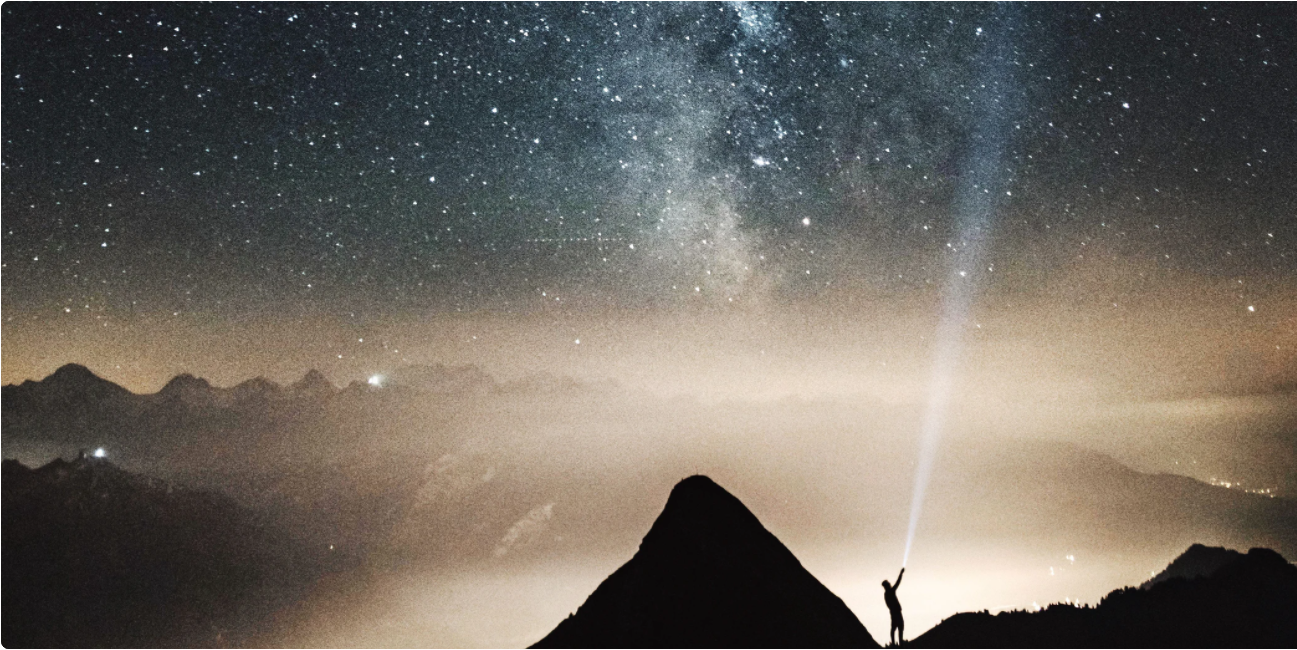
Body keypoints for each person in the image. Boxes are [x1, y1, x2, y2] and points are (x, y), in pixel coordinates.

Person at [882, 567, 905, 646]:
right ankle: (899, 643)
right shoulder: (890, 592)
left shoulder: (886, 594)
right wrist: (901, 573)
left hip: (894, 612)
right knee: (899, 626)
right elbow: (897, 583)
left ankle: (895, 643)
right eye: (888, 583)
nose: (889, 583)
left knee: (895, 627)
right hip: (896, 612)